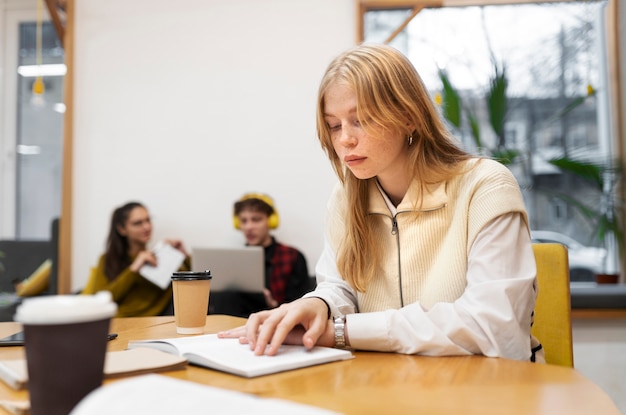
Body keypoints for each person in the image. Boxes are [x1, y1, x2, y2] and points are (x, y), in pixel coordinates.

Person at [219, 43, 543, 363]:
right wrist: (319, 305)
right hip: (389, 385)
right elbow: (339, 286)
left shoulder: (484, 186)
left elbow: (494, 325)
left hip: (487, 392)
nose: (345, 138)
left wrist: (341, 332)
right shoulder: (346, 196)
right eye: (334, 125)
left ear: (408, 117)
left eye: (361, 119)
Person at [209, 193, 312, 318]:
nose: (249, 227)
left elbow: (301, 304)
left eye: (256, 219)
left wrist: (273, 304)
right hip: (237, 319)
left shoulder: (292, 256)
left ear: (270, 221)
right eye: (244, 221)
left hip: (275, 319)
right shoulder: (233, 259)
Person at [82, 201, 190, 317]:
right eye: (138, 223)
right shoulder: (107, 259)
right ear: (122, 229)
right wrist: (134, 269)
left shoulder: (158, 259)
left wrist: (183, 256)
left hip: (153, 325)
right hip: (118, 323)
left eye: (148, 220)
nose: (147, 227)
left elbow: (194, 286)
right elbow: (100, 299)